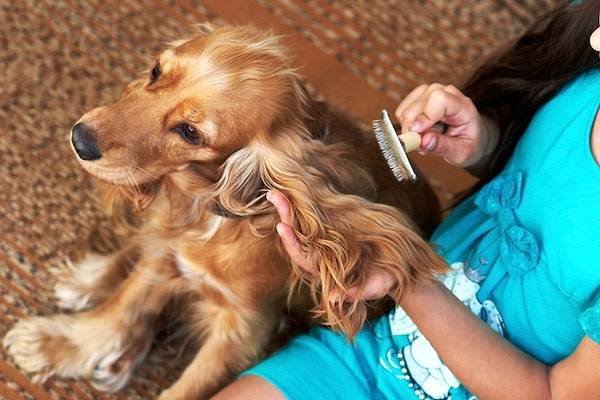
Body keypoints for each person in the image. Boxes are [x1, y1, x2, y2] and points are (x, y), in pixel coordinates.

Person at [214, 1, 600, 399]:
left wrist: (405, 279)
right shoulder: (589, 59)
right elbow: (549, 185)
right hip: (377, 346)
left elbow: (551, 394)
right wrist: (482, 142)